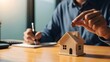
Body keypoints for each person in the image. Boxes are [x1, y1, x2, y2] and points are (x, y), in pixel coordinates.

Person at [24, 0, 110, 46]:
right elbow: (49, 34)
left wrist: (107, 33)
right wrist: (36, 37)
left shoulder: (107, 4)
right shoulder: (62, 6)